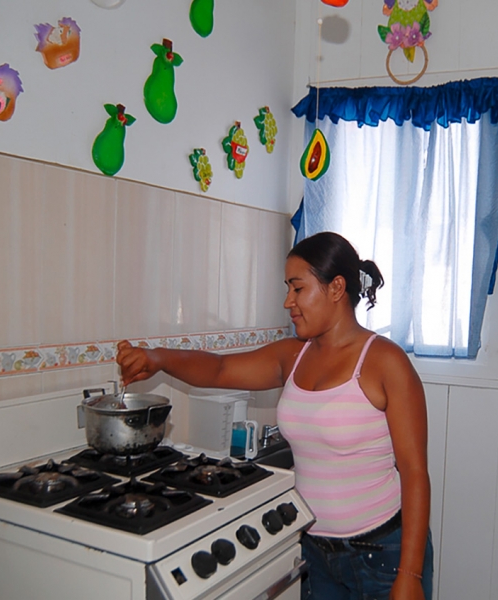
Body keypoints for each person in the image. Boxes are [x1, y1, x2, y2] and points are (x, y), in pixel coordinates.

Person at [116, 231, 433, 600]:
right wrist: (158, 358)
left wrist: (410, 574)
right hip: (314, 548)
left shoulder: (385, 362)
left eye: (297, 289)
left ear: (336, 288)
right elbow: (218, 370)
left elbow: (414, 473)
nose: (288, 302)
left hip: (382, 554)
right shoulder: (293, 355)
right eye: (288, 289)